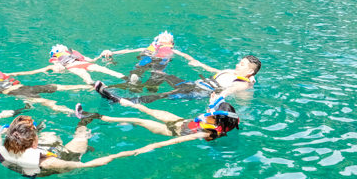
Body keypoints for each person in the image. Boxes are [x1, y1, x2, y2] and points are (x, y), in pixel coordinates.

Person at [0, 114, 150, 177]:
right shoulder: (50, 162)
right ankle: (86, 119)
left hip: (32, 165)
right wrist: (135, 151)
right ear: (33, 143)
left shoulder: (2, 149)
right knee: (82, 131)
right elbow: (88, 165)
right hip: (66, 158)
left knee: (51, 136)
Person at [93, 54, 262, 104]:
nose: (238, 65)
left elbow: (230, 91)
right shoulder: (229, 71)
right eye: (239, 62)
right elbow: (213, 70)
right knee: (162, 75)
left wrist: (219, 98)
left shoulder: (243, 83)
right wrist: (199, 64)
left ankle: (122, 100)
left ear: (250, 72)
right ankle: (132, 86)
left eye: (242, 64)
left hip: (201, 91)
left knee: (167, 94)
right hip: (194, 84)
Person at [77, 95, 240, 143]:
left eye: (210, 112)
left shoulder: (207, 133)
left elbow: (176, 141)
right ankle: (116, 99)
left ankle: (93, 116)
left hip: (172, 132)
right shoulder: (214, 120)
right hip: (179, 121)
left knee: (138, 120)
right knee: (145, 108)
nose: (207, 111)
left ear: (217, 120)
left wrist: (154, 145)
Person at [0, 57, 90, 114]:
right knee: (47, 102)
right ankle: (74, 113)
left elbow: (19, 73)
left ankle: (92, 87)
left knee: (58, 86)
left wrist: (45, 68)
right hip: (18, 93)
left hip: (26, 88)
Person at [99, 31, 193, 91]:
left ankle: (140, 81)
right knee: (151, 69)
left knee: (149, 70)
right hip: (155, 58)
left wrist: (193, 61)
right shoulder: (164, 49)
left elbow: (129, 51)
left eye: (166, 37)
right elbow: (128, 51)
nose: (164, 37)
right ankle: (143, 82)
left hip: (153, 58)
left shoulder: (165, 49)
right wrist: (112, 52)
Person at [19, 44, 125, 85]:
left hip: (80, 64)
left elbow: (92, 60)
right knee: (87, 77)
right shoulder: (57, 60)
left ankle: (126, 78)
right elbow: (56, 66)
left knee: (103, 71)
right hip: (75, 66)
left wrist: (102, 54)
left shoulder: (73, 54)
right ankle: (105, 87)